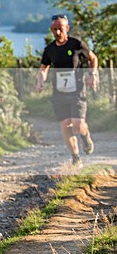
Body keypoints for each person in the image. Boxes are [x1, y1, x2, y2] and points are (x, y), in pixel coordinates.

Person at [35, 14, 99, 167]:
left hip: (77, 91)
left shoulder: (76, 44)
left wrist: (92, 75)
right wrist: (40, 80)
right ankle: (76, 157)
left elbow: (93, 58)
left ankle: (85, 136)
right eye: (54, 29)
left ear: (67, 28)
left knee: (77, 124)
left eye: (60, 29)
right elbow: (44, 68)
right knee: (65, 124)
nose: (57, 32)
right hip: (59, 92)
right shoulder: (49, 49)